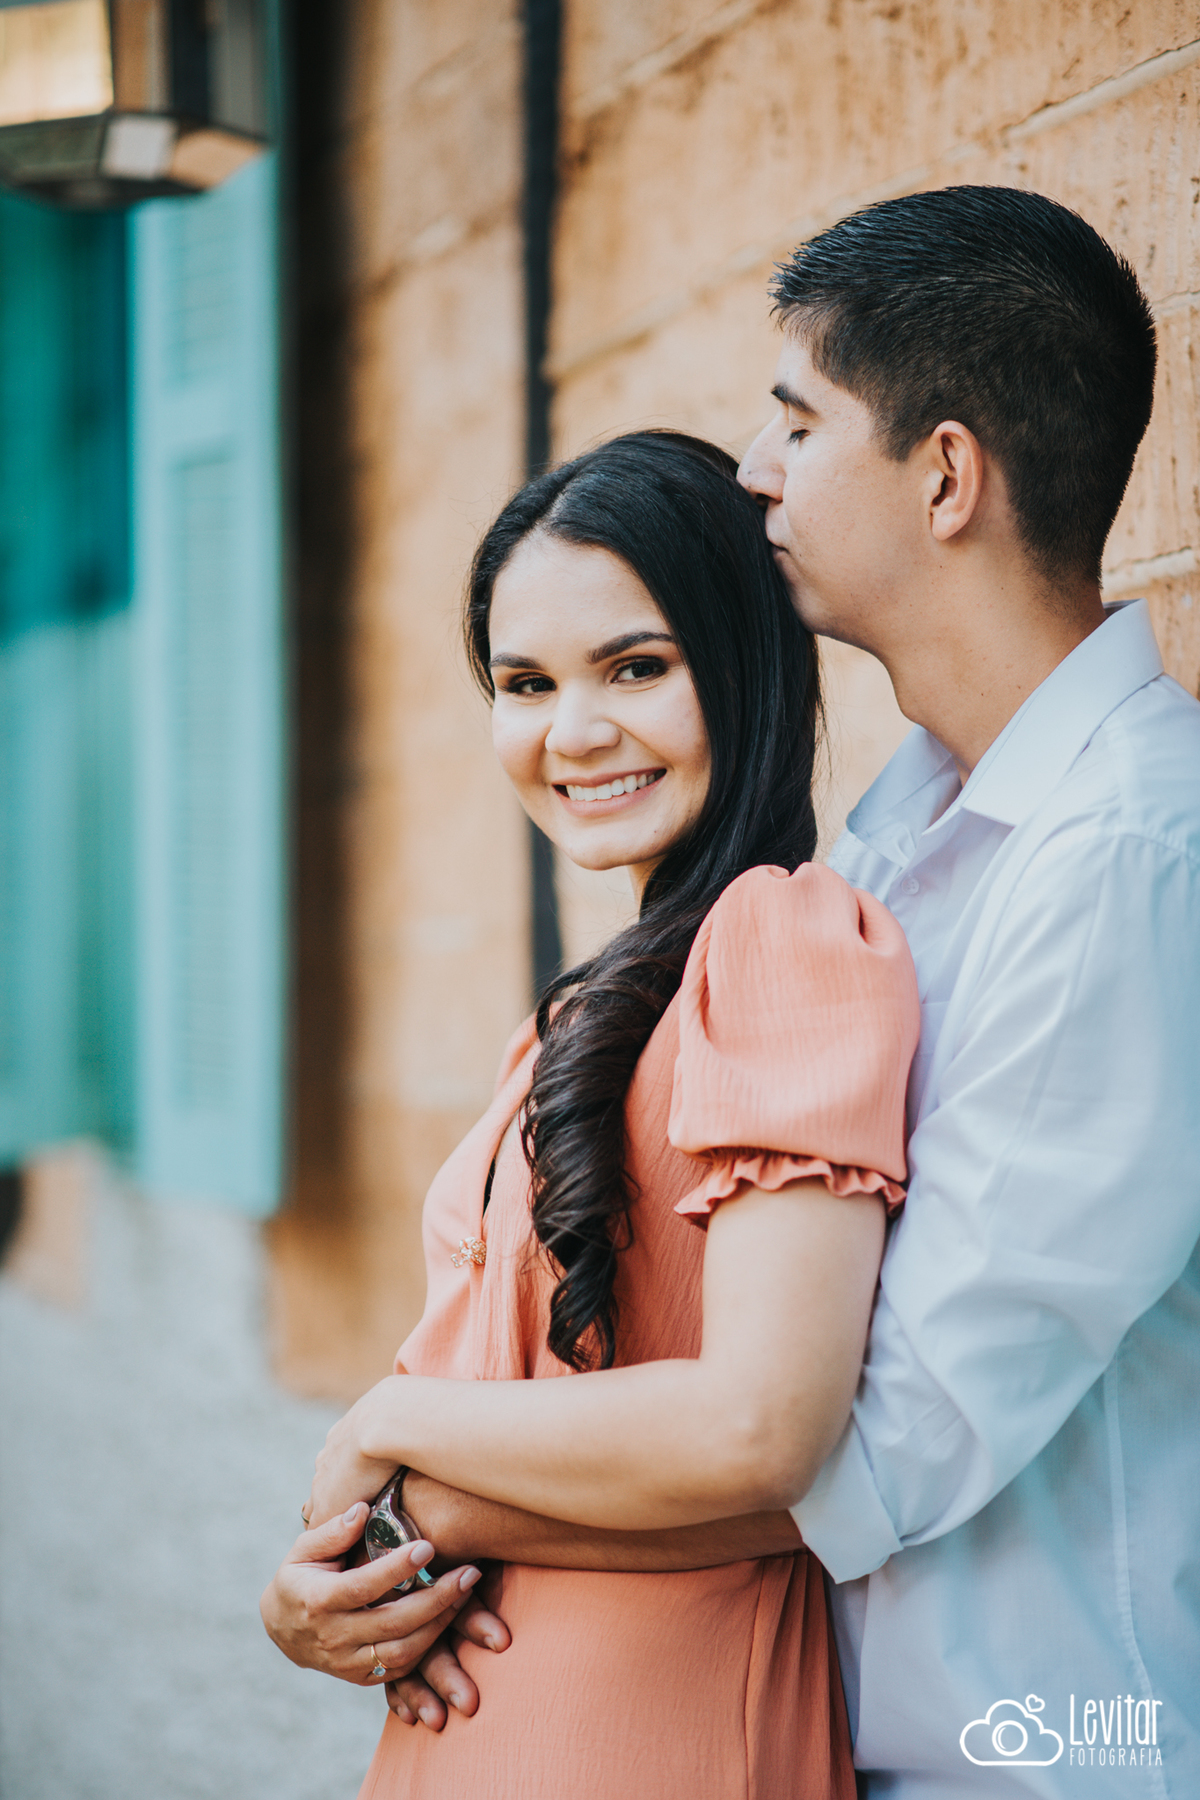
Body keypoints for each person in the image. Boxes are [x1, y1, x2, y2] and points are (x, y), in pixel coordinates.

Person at [273, 187, 1200, 1796]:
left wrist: (404, 1482)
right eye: (525, 681)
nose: (757, 473)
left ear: (947, 474)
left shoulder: (1128, 855)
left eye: (796, 421)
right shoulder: (899, 851)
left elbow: (865, 1440)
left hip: (1045, 1746)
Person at [262, 428, 922, 1799]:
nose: (573, 732)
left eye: (636, 667)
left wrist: (392, 1433)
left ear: (743, 664)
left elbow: (764, 1439)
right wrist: (328, 1591)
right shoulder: (598, 1008)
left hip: (658, 1729)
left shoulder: (781, 939)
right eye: (525, 682)